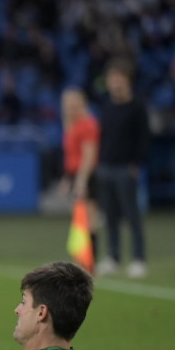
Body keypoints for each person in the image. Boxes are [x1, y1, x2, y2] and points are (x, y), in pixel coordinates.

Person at [94, 59, 150, 279]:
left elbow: (144, 139)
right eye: (112, 78)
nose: (115, 83)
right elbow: (103, 138)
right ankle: (113, 258)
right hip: (106, 167)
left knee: (132, 215)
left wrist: (136, 164)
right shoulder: (107, 107)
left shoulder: (137, 107)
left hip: (126, 169)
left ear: (127, 81)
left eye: (119, 78)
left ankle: (138, 259)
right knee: (111, 217)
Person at [60, 88, 100, 264]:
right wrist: (67, 178)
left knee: (88, 220)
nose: (68, 108)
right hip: (74, 175)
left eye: (72, 104)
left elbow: (89, 155)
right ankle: (83, 261)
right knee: (78, 220)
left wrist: (81, 180)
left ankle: (91, 263)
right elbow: (71, 154)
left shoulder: (88, 124)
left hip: (86, 175)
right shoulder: (71, 125)